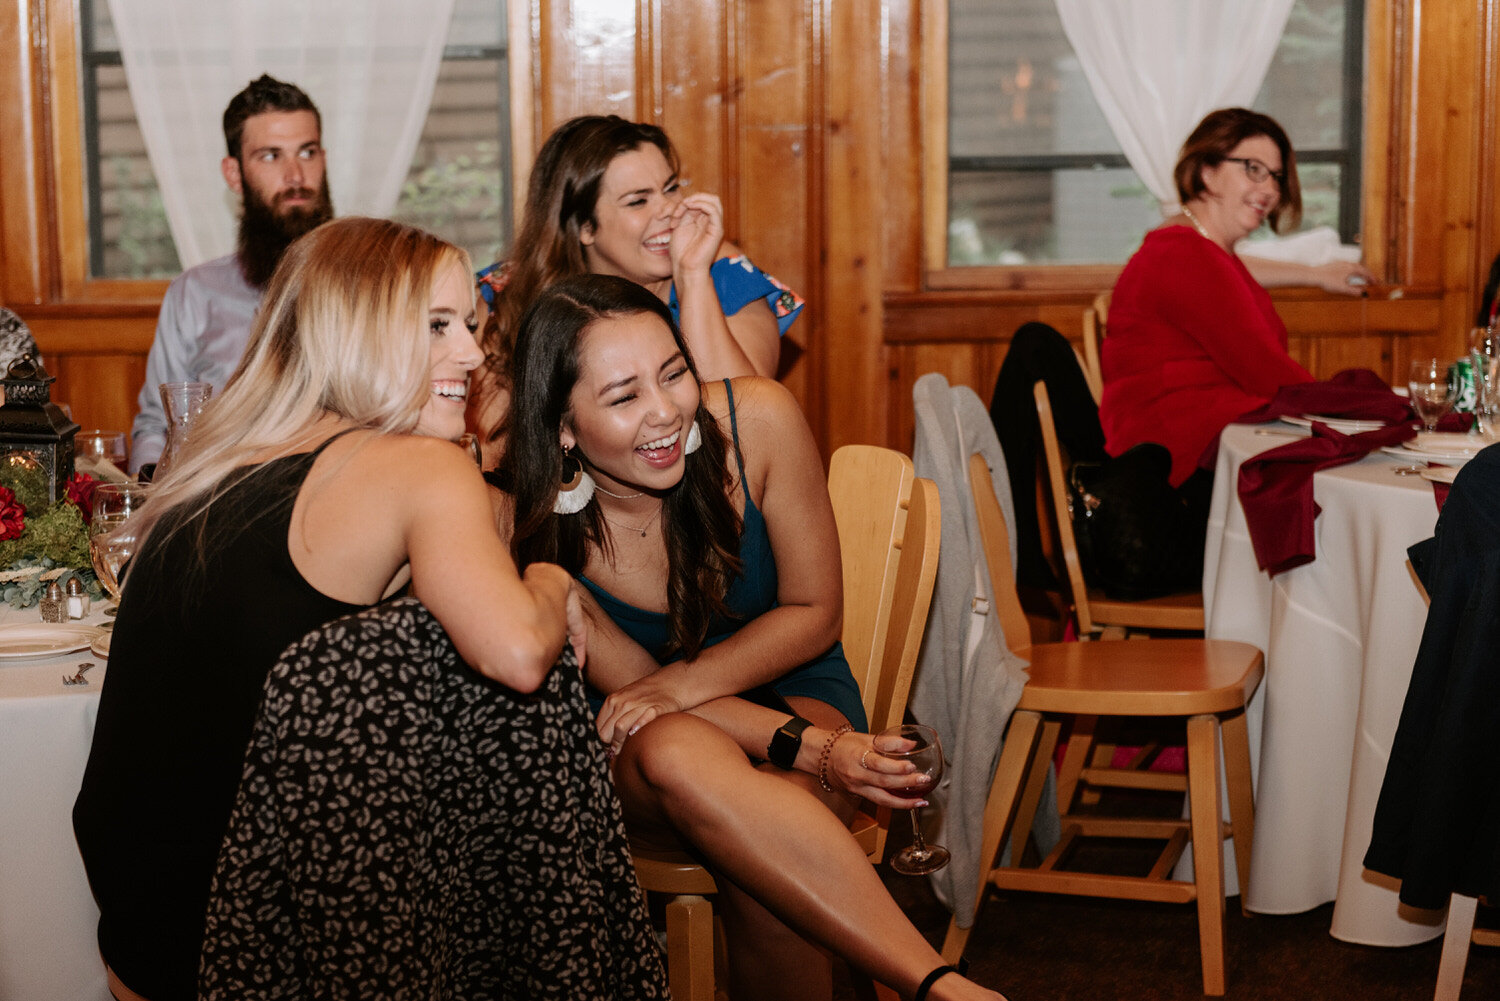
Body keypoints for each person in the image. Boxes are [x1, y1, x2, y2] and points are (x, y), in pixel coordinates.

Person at [74, 219, 665, 1001]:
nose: (471, 353)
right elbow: (519, 654)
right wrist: (556, 582)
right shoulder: (413, 467)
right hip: (253, 951)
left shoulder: (218, 465)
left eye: (471, 325)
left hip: (144, 936)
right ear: (353, 332)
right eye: (436, 326)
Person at [503, 273, 1007, 1001]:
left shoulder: (757, 419)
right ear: (562, 426)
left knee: (761, 871)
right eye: (623, 396)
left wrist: (684, 684)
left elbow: (813, 612)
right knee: (678, 747)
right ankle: (936, 983)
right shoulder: (534, 523)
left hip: (797, 682)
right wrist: (816, 745)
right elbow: (641, 693)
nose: (665, 411)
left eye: (673, 372)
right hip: (654, 753)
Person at [1093, 107, 1373, 595]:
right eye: (1253, 169)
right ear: (1206, 172)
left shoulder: (1188, 249)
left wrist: (1316, 274)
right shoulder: (1184, 256)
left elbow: (1231, 274)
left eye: (1277, 177)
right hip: (1177, 489)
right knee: (1345, 530)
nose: (1269, 189)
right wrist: (1379, 409)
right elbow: (1272, 378)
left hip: (1191, 463)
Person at [471, 114, 803, 467]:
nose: (671, 211)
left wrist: (692, 275)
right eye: (637, 201)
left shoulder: (723, 273)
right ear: (584, 227)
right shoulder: (507, 297)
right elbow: (500, 449)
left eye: (671, 188)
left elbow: (743, 427)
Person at [129, 74, 334, 472]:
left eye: (307, 153)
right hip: (222, 504)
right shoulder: (193, 295)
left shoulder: (372, 283)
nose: (295, 176)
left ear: (323, 159)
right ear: (234, 174)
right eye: (271, 156)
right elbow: (157, 425)